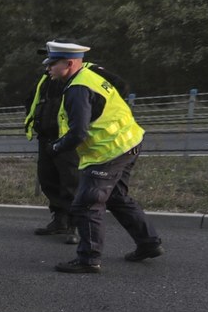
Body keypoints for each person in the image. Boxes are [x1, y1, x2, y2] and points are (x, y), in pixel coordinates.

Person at [43, 40, 163, 273]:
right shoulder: (89, 72)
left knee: (87, 203)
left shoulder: (78, 89)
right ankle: (149, 243)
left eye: (52, 63)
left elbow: (79, 132)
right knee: (116, 197)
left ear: (69, 63)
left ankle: (89, 259)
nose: (48, 67)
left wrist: (56, 148)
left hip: (109, 151)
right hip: (128, 141)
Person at [25, 43, 127, 244]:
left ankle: (75, 225)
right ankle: (60, 219)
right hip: (47, 136)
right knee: (48, 180)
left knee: (71, 181)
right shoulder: (48, 76)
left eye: (52, 58)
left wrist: (91, 117)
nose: (48, 62)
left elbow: (119, 88)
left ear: (69, 59)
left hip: (69, 138)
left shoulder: (89, 72)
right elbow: (33, 100)